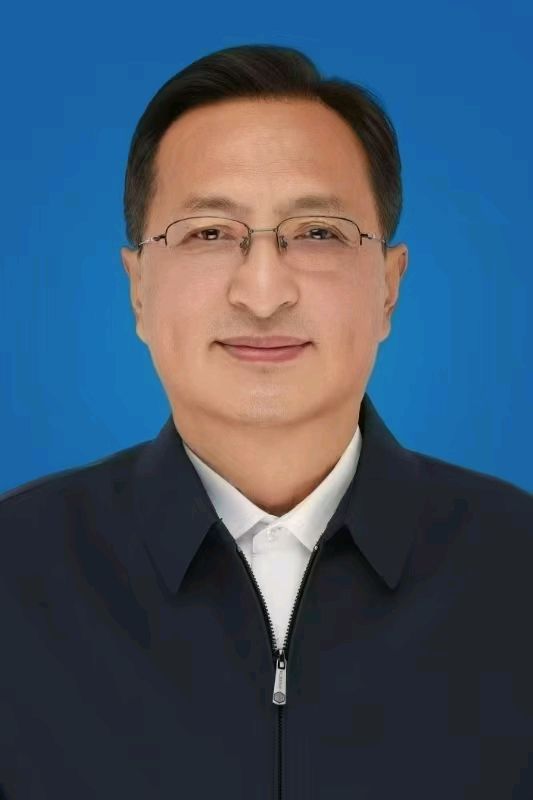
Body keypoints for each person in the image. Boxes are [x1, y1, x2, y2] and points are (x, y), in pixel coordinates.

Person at [1, 43, 532, 800]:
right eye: (208, 233)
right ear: (138, 289)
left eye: (316, 232)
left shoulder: (516, 570)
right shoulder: (18, 575)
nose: (261, 291)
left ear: (389, 288)